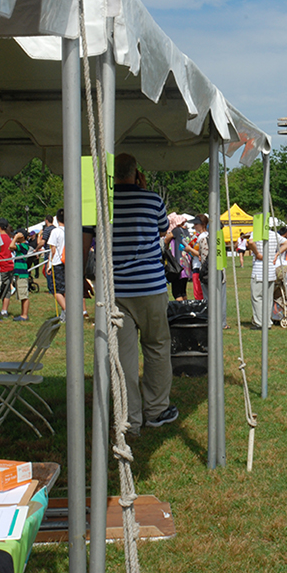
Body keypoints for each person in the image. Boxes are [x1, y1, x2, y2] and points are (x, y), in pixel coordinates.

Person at [113, 152, 178, 435]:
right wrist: (143, 188)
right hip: (151, 287)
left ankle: (130, 418)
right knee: (157, 347)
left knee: (123, 356)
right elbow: (165, 231)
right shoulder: (153, 200)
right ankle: (156, 409)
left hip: (116, 288)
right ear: (136, 173)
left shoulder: (103, 202)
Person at [248, 226, 287, 329]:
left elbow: (251, 242)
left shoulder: (257, 232)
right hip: (271, 269)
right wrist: (276, 254)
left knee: (257, 297)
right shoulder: (274, 234)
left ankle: (260, 322)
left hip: (259, 269)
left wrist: (257, 253)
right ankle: (267, 321)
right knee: (268, 298)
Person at [46, 208, 66, 318]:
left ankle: (67, 311)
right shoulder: (71, 230)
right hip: (69, 262)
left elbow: (52, 249)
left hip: (58, 262)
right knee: (67, 288)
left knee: (56, 290)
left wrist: (49, 264)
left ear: (57, 219)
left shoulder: (56, 232)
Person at [10, 229, 31, 321]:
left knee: (24, 295)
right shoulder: (21, 245)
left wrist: (15, 238)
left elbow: (11, 246)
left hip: (23, 274)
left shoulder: (24, 246)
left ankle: (24, 315)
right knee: (21, 295)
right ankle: (23, 314)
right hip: (19, 273)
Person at [0, 219, 14, 318]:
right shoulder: (8, 237)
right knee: (7, 290)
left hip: (1, 266)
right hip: (9, 266)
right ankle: (4, 311)